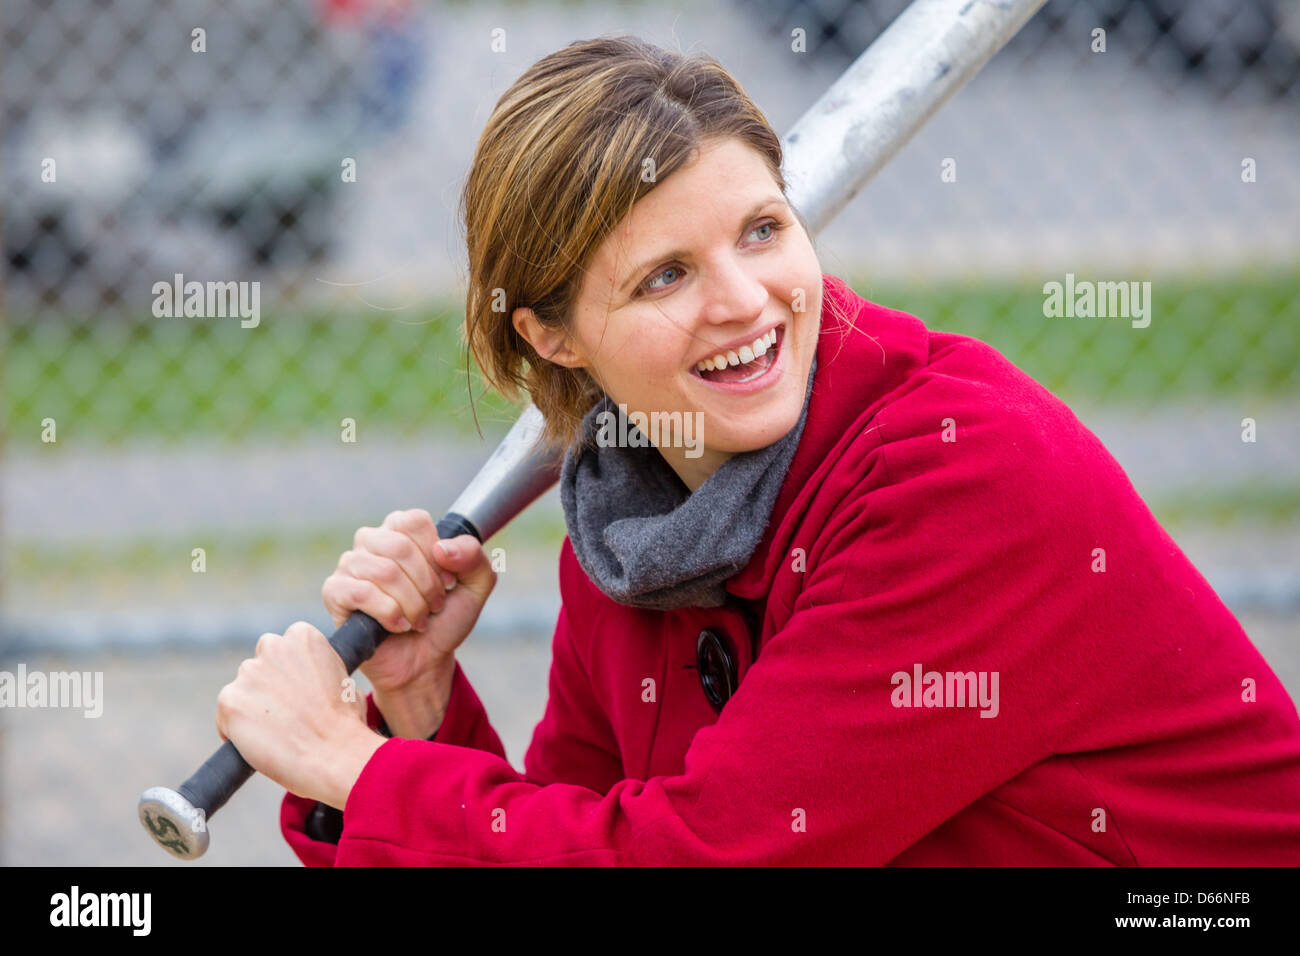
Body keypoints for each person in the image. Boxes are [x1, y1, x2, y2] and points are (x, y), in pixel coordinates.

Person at [215, 35, 1300, 865]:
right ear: (549, 334)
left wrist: (356, 767)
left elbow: (712, 851)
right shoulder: (632, 522)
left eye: (763, 230)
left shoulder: (961, 472)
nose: (746, 303)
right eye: (664, 275)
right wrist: (420, 706)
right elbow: (575, 831)